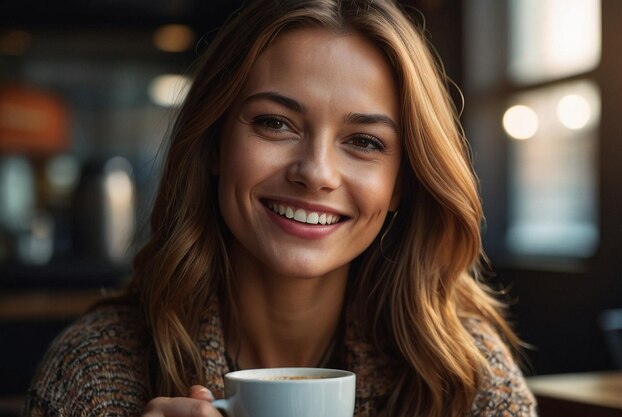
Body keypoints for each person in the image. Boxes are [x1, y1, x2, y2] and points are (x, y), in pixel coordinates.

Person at [22, 0, 537, 416]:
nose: (315, 172)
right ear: (215, 146)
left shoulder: (465, 375)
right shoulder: (94, 371)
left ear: (402, 182)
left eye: (364, 141)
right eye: (275, 123)